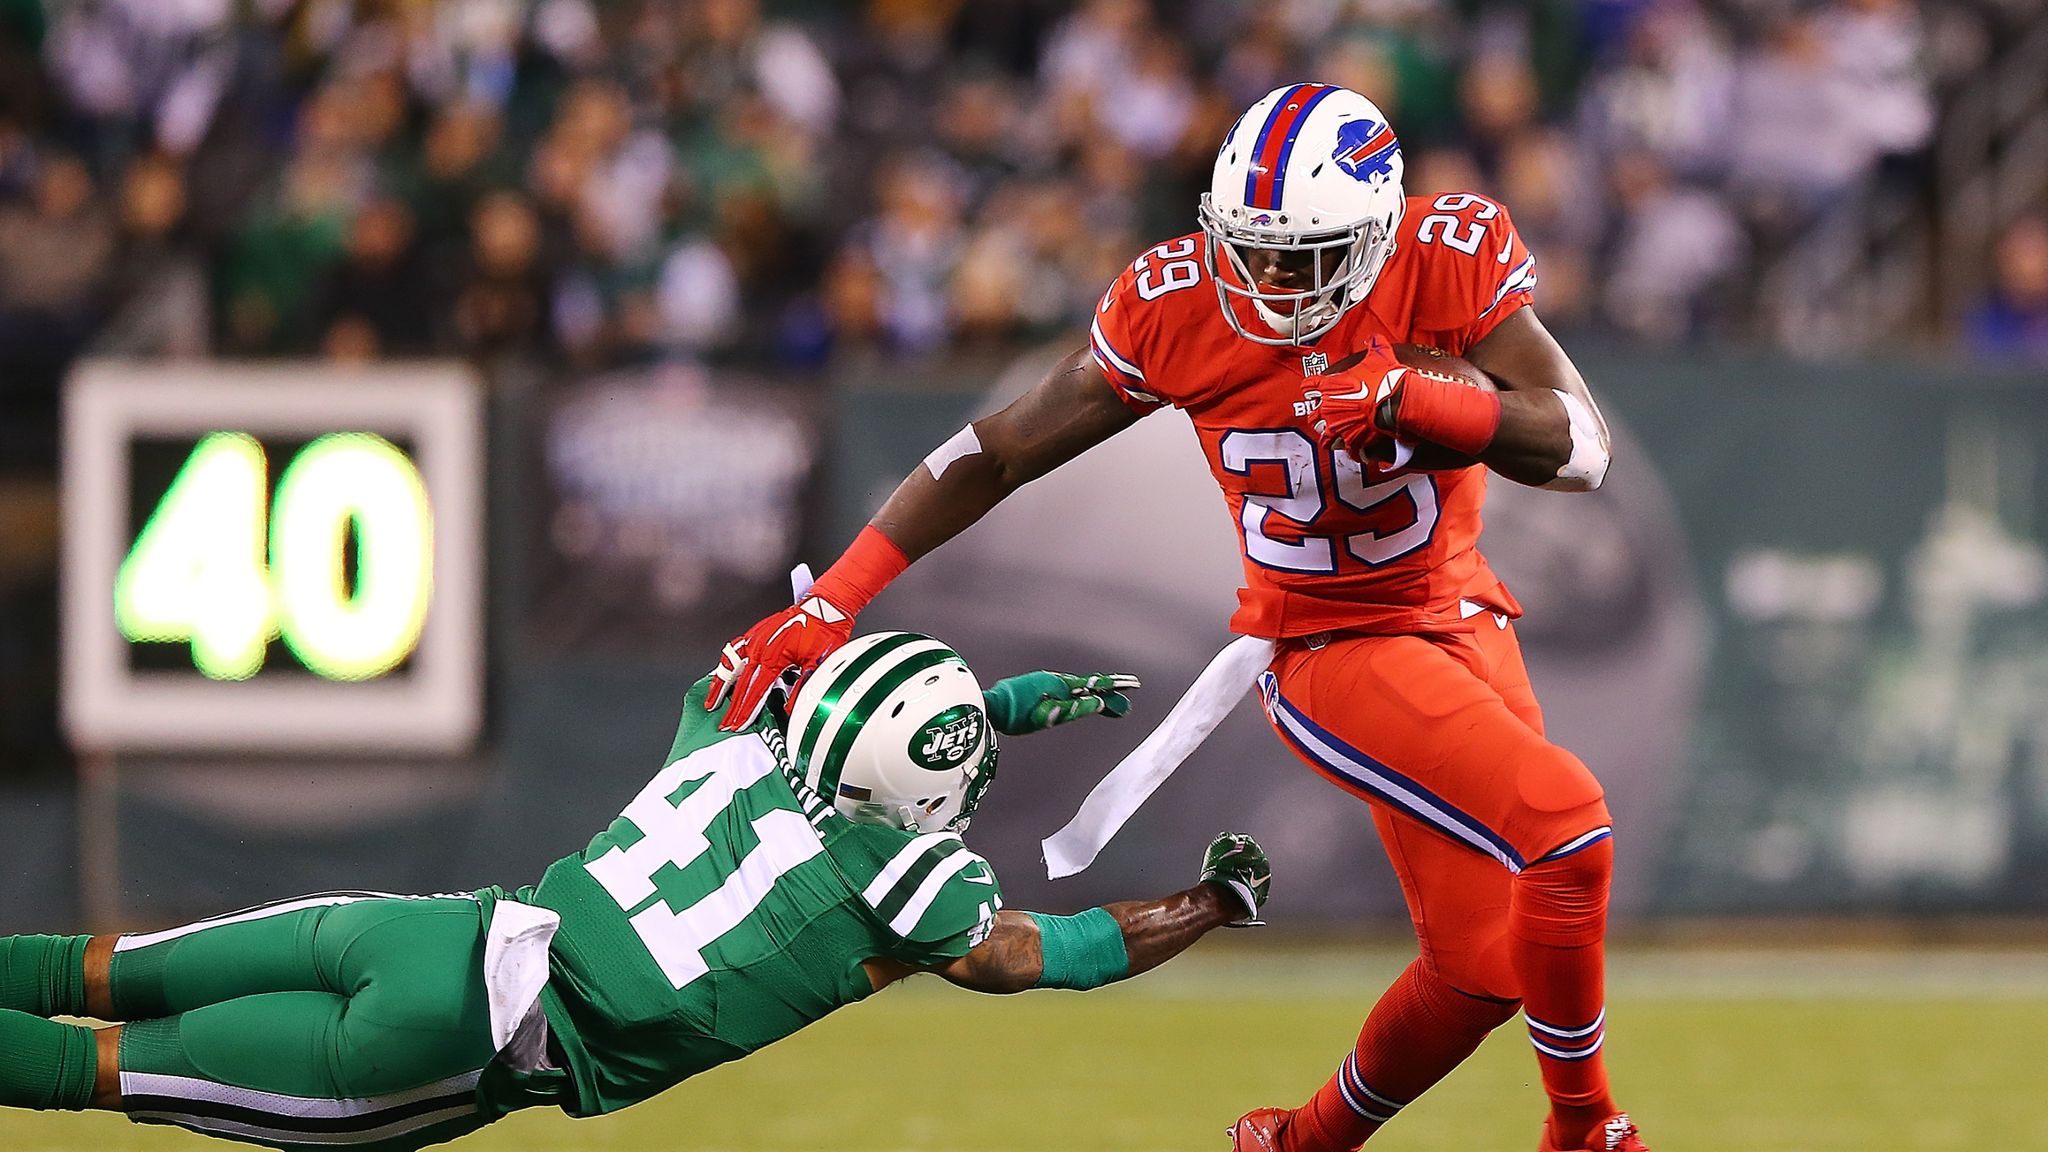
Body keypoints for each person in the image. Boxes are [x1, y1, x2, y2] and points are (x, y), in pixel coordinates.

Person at [708, 83, 1643, 1152]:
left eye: (1301, 255)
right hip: (1326, 638)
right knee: (1565, 821)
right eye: (1247, 248)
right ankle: (1584, 1128)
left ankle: (1295, 1144)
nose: (1266, 280)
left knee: (1484, 968)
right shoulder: (1178, 303)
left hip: (1464, 609)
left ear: (1377, 233)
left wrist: (1415, 398)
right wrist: (835, 594)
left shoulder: (1447, 252)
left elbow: (1578, 447)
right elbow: (1000, 449)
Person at [0, 633, 1271, 1150]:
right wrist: (1205, 906)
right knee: (95, 1068)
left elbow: (855, 728)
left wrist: (997, 706)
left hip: (424, 930)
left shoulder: (729, 744)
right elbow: (1058, 950)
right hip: (462, 1048)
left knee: (93, 967)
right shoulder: (912, 885)